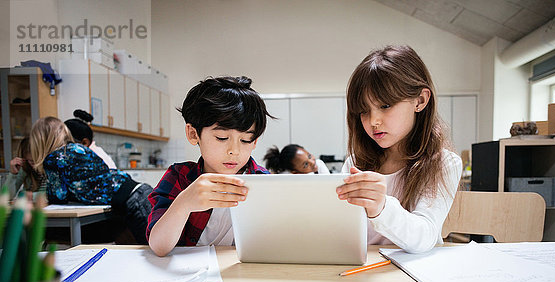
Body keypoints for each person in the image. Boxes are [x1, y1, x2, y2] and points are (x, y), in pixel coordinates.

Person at [336, 45, 462, 253]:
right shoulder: (355, 163)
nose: (373, 121)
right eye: (364, 111)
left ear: (420, 101)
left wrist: (381, 207)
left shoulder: (444, 163)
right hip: (367, 272)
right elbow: (344, 230)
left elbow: (424, 237)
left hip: (417, 276)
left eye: (385, 106)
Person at [146, 76, 271, 256]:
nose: (234, 151)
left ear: (255, 141)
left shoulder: (264, 182)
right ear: (193, 134)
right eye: (221, 138)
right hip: (190, 273)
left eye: (245, 140)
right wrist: (184, 203)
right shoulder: (180, 177)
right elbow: (159, 247)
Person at [29, 116, 152, 244]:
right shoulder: (80, 149)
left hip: (133, 202)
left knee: (155, 251)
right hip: (141, 192)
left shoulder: (53, 159)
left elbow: (59, 197)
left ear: (39, 142)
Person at [263, 144, 330, 174]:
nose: (312, 162)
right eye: (306, 164)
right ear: (295, 172)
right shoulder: (286, 177)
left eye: (309, 156)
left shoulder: (319, 165)